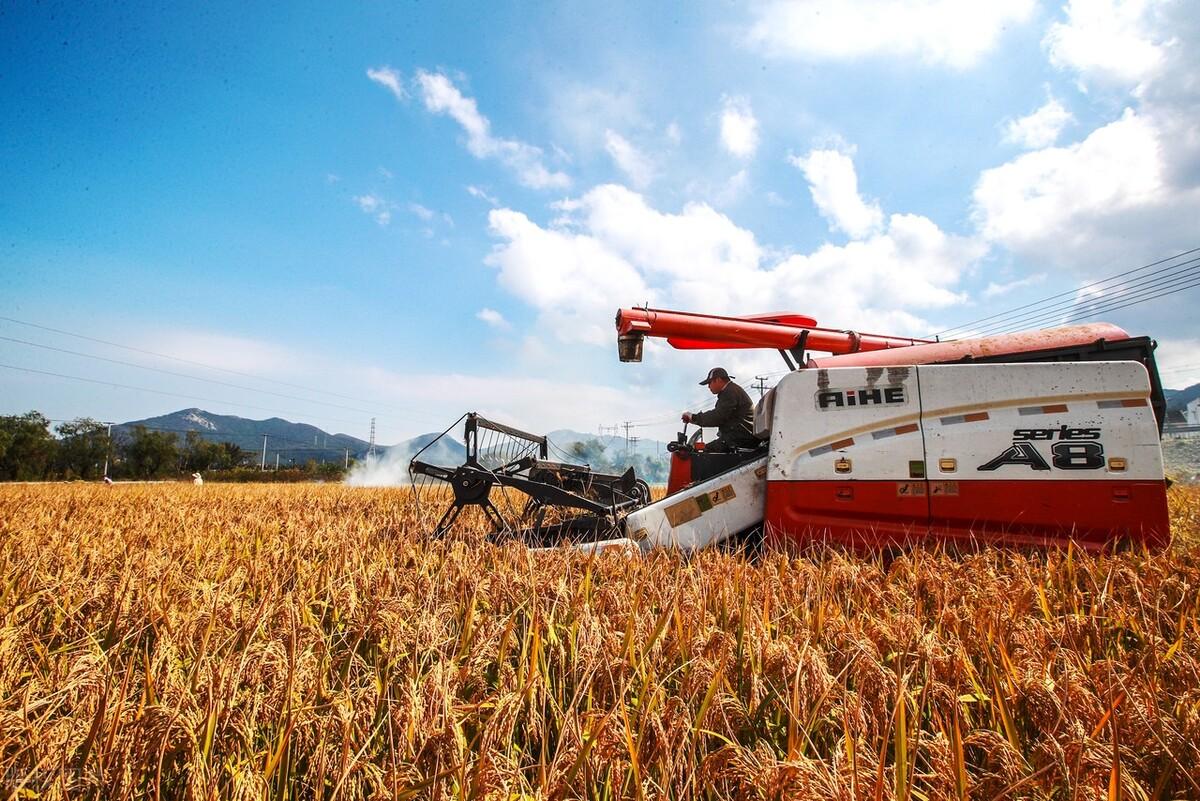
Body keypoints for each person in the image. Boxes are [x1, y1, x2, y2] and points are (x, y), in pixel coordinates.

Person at [682, 367, 760, 453]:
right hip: (738, 437)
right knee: (702, 450)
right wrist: (694, 420)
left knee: (701, 454)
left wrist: (694, 418)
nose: (708, 387)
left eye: (709, 383)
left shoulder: (730, 392)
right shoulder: (731, 390)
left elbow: (718, 416)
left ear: (718, 380)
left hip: (740, 439)